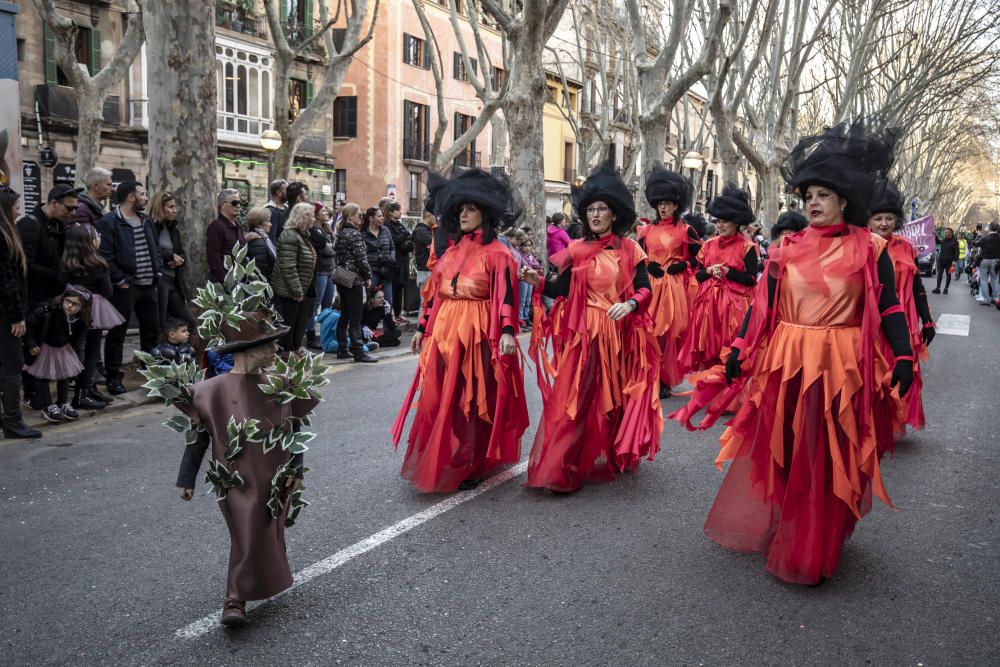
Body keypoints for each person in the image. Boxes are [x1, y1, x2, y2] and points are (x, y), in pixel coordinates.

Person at [676, 119, 914, 586]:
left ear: (845, 200)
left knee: (825, 454)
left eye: (823, 195)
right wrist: (738, 349)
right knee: (785, 449)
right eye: (807, 196)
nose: (813, 203)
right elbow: (761, 306)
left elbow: (888, 305)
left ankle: (812, 538)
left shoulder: (871, 248)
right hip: (786, 363)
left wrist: (903, 355)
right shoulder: (785, 248)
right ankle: (790, 522)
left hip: (840, 366)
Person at [146, 253, 322, 628]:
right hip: (235, 477)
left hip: (274, 477)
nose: (275, 351)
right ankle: (235, 599)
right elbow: (199, 434)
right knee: (245, 531)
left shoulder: (280, 385)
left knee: (264, 530)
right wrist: (186, 477)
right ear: (247, 351)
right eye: (268, 345)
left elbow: (294, 429)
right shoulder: (213, 390)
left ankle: (262, 579)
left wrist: (296, 470)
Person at [520, 164, 661, 492]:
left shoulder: (630, 250)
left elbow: (645, 289)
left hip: (619, 335)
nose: (595, 214)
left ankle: (613, 452)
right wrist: (537, 281)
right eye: (591, 209)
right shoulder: (577, 249)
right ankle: (565, 466)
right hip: (584, 335)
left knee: (615, 396)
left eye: (602, 209)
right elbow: (563, 289)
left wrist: (630, 304)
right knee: (577, 396)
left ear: (614, 214)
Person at [392, 168, 528, 493]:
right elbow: (436, 295)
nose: (464, 214)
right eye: (461, 209)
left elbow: (507, 296)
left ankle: (471, 460)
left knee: (472, 398)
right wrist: (422, 328)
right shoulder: (451, 252)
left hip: (478, 332)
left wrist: (507, 332)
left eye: (471, 208)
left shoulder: (499, 254)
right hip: (445, 331)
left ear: (485, 213)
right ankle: (449, 453)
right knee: (442, 397)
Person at [868, 177, 935, 433]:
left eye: (889, 218)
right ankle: (873, 422)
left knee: (903, 369)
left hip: (902, 323)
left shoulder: (907, 248)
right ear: (868, 220)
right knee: (876, 372)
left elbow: (918, 287)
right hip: (873, 324)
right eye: (878, 218)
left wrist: (927, 321)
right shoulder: (863, 247)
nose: (884, 223)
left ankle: (894, 419)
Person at [677, 183, 759, 376]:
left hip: (735, 310)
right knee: (709, 352)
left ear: (736, 222)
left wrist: (729, 272)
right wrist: (709, 271)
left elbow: (751, 279)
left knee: (730, 352)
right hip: (709, 307)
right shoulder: (708, 245)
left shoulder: (747, 247)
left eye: (725, 221)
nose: (720, 225)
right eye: (718, 221)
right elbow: (698, 275)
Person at [636, 166, 700, 397]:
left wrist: (683, 264)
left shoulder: (687, 230)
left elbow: (700, 257)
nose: (663, 207)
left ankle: (663, 378)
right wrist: (647, 265)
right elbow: (637, 258)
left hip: (674, 287)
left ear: (676, 205)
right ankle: (648, 373)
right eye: (660, 203)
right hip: (651, 285)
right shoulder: (646, 231)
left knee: (669, 334)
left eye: (668, 203)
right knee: (649, 330)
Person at [97, 181, 162, 395]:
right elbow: (105, 255)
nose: (146, 198)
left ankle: (152, 375)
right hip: (125, 287)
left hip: (149, 285)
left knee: (151, 331)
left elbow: (155, 248)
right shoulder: (109, 222)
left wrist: (158, 271)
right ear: (131, 197)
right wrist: (120, 280)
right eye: (142, 194)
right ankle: (113, 378)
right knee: (117, 333)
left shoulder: (146, 220)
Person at [59, 224, 124, 410]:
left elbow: (61, 284)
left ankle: (78, 393)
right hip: (93, 309)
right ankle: (82, 394)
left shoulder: (66, 263)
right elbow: (108, 291)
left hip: (71, 308)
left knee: (72, 350)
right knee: (92, 352)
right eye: (97, 236)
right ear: (91, 242)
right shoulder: (98, 264)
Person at [0, 185, 41, 439]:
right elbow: (6, 281)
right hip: (6, 314)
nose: (19, 211)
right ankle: (13, 420)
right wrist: (17, 316)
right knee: (13, 363)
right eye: (16, 206)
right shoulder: (3, 237)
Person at [23, 286, 90, 423]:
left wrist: (76, 352)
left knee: (64, 375)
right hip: (45, 347)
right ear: (63, 299)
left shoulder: (81, 319)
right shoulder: (48, 311)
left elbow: (78, 338)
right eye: (67, 301)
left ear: (82, 307)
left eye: (75, 304)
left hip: (63, 348)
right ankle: (47, 405)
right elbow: (30, 326)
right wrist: (31, 344)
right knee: (42, 376)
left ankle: (63, 402)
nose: (69, 305)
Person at [271, 202, 319, 353]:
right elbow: (288, 266)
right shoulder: (290, 236)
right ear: (303, 217)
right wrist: (296, 290)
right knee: (290, 322)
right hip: (290, 290)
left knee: (300, 321)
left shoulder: (303, 235)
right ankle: (288, 353)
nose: (314, 219)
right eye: (311, 216)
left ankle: (295, 350)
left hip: (303, 287)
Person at [333, 203, 377, 363]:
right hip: (353, 277)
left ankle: (342, 348)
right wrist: (367, 276)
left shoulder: (341, 233)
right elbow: (361, 258)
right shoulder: (354, 234)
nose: (361, 217)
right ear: (351, 216)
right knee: (356, 316)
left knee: (345, 313)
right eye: (359, 215)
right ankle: (358, 351)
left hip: (341, 275)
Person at [149, 191, 196, 330]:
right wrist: (169, 257)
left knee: (190, 322)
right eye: (170, 207)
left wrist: (179, 259)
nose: (174, 210)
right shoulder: (151, 227)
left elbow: (180, 252)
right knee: (159, 323)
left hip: (174, 280)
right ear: (160, 208)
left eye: (175, 207)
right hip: (160, 280)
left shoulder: (173, 229)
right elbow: (151, 251)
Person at [307, 203, 336, 352]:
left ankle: (326, 336)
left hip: (330, 269)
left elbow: (332, 247)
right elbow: (325, 250)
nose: (326, 212)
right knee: (315, 304)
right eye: (322, 210)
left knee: (327, 305)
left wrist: (331, 247)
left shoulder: (327, 228)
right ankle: (311, 335)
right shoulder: (314, 229)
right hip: (320, 270)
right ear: (316, 213)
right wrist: (332, 247)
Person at [362, 206, 398, 323]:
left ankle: (388, 330)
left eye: (382, 216)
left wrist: (390, 260)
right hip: (372, 271)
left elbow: (392, 247)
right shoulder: (363, 233)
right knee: (371, 301)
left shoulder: (386, 230)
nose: (382, 218)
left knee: (388, 301)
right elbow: (361, 253)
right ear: (371, 218)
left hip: (386, 272)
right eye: (379, 216)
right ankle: (369, 328)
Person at [206, 189, 246, 284]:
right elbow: (213, 258)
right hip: (224, 283)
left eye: (239, 202)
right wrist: (226, 282)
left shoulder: (238, 226)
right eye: (234, 203)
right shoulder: (216, 227)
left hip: (240, 280)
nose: (238, 206)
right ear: (223, 205)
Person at [384, 201, 413, 324]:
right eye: (398, 210)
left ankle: (398, 314)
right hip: (394, 263)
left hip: (404, 262)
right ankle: (390, 315)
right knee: (393, 290)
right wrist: (404, 236)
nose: (400, 212)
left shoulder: (400, 225)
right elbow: (394, 241)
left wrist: (405, 240)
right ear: (391, 212)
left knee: (400, 289)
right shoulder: (387, 225)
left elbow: (408, 242)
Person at [244, 207, 277, 279]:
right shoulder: (257, 241)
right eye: (268, 221)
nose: (270, 224)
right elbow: (261, 270)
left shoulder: (263, 238)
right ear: (259, 224)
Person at [974, 221, 1000, 305]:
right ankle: (996, 298)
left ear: (989, 228)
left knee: (983, 279)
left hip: (985, 259)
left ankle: (986, 299)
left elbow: (975, 243)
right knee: (995, 280)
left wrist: (978, 235)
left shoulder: (985, 238)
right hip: (996, 260)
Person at [412, 209, 435, 291]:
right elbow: (435, 247)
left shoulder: (427, 231)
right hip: (425, 271)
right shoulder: (421, 231)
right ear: (428, 215)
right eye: (435, 215)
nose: (437, 218)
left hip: (428, 271)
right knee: (426, 298)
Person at [932, 227, 958, 294]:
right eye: (945, 232)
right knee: (939, 274)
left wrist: (955, 260)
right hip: (941, 260)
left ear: (951, 233)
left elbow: (957, 252)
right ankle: (938, 288)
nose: (945, 234)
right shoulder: (944, 240)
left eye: (947, 232)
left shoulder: (955, 242)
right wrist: (935, 235)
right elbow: (938, 241)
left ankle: (946, 289)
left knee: (948, 275)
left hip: (949, 261)